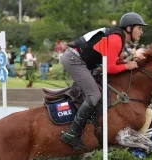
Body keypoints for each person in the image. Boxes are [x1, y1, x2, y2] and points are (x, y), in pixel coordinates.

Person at [60, 12, 147, 150]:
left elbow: (114, 62)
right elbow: (109, 68)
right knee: (94, 95)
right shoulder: (116, 39)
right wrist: (127, 65)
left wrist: (129, 61)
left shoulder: (119, 38)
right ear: (129, 28)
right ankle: (72, 132)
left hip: (81, 60)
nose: (141, 32)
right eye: (139, 28)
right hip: (74, 60)